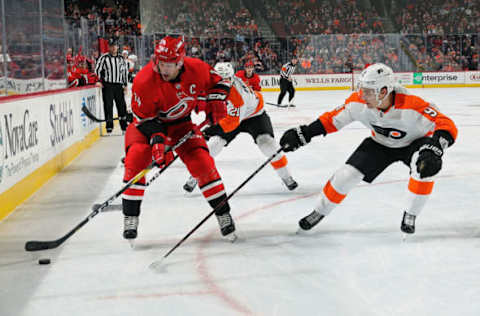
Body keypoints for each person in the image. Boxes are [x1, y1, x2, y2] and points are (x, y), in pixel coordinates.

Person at [279, 63, 457, 234]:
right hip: (379, 143)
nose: (362, 96)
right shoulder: (358, 101)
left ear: (385, 91)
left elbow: (446, 124)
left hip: (414, 143)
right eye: (361, 90)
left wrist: (435, 147)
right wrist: (306, 133)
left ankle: (411, 214)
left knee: (425, 168)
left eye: (369, 92)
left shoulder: (412, 105)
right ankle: (319, 211)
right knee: (346, 175)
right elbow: (332, 120)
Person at [121, 36, 236, 241]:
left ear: (180, 62)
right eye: (160, 63)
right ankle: (130, 216)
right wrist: (157, 140)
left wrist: (216, 101)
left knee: (202, 164)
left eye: (169, 64)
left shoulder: (197, 68)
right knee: (136, 158)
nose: (163, 69)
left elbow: (221, 82)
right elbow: (141, 119)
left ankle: (223, 213)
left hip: (181, 125)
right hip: (147, 126)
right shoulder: (144, 80)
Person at [183, 62, 298, 193]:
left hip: (254, 116)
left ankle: (286, 177)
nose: (222, 83)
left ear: (231, 78)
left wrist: (208, 131)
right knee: (214, 145)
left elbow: (232, 123)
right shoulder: (212, 84)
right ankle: (195, 177)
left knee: (267, 144)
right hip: (231, 115)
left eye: (225, 80)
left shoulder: (237, 96)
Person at [95, 38, 129, 134]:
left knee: (121, 106)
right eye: (111, 46)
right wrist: (99, 81)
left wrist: (125, 85)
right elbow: (97, 70)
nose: (114, 47)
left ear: (118, 47)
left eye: (115, 45)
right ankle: (109, 127)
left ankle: (124, 126)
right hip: (108, 85)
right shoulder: (104, 58)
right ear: (109, 47)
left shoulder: (122, 58)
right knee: (108, 106)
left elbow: (124, 72)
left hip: (118, 85)